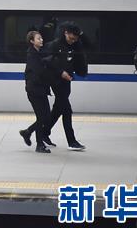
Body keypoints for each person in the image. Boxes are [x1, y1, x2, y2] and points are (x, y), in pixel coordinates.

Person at [45, 23, 87, 151]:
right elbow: (48, 62)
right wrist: (60, 72)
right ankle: (71, 141)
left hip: (67, 81)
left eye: (75, 39)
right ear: (65, 33)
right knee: (67, 111)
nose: (73, 41)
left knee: (58, 110)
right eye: (71, 38)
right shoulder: (54, 45)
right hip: (56, 81)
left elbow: (81, 57)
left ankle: (38, 132)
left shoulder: (76, 45)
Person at [19, 31, 55, 153]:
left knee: (46, 117)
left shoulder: (39, 53)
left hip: (41, 90)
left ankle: (27, 132)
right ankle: (39, 144)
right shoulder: (32, 55)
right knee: (42, 118)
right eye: (38, 38)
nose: (41, 40)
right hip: (35, 91)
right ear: (32, 41)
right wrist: (47, 63)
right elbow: (39, 71)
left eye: (41, 38)